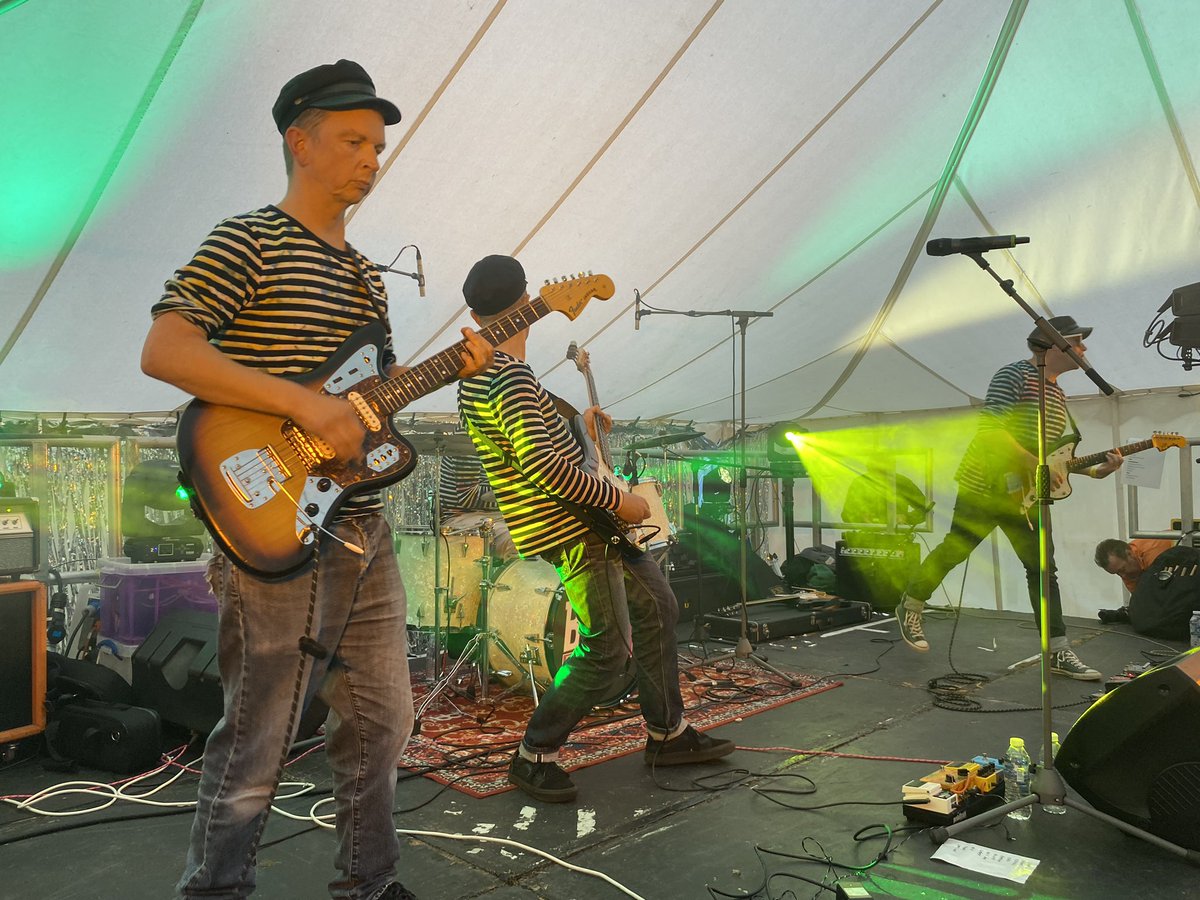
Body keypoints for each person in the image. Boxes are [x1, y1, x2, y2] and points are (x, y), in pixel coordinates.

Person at [141, 60, 492, 900]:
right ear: (299, 142)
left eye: (378, 146)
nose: (371, 158)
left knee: (384, 722)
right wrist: (302, 405)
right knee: (259, 735)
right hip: (275, 524)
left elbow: (369, 401)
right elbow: (166, 349)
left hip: (360, 522)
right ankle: (214, 890)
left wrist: (456, 366)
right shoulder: (249, 240)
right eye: (352, 140)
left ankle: (370, 884)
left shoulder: (365, 274)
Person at [455, 255, 734, 803]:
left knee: (659, 607)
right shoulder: (508, 375)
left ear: (473, 314)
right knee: (606, 648)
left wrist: (579, 428)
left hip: (582, 521)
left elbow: (535, 448)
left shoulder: (482, 377)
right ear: (526, 302)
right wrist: (622, 502)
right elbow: (542, 467)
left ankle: (667, 732)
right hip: (576, 524)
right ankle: (534, 754)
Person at [896, 316, 1122, 680]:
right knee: (955, 550)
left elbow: (1053, 459)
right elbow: (990, 431)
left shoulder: (1058, 394)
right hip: (984, 487)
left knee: (1043, 571)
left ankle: (1057, 650)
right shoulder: (1014, 374)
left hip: (1027, 497)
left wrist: (1098, 471)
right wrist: (1034, 463)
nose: (1084, 349)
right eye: (1078, 341)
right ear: (1053, 343)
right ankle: (912, 603)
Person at [439, 453, 516, 557]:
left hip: (496, 515)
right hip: (462, 517)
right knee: (519, 537)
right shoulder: (466, 448)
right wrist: (517, 491)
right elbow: (468, 496)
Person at [1094, 537, 1176, 594]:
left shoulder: (1152, 551)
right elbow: (1140, 600)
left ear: (1129, 553)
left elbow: (1162, 593)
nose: (1123, 576)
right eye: (1117, 573)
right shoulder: (1126, 570)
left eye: (1122, 570)